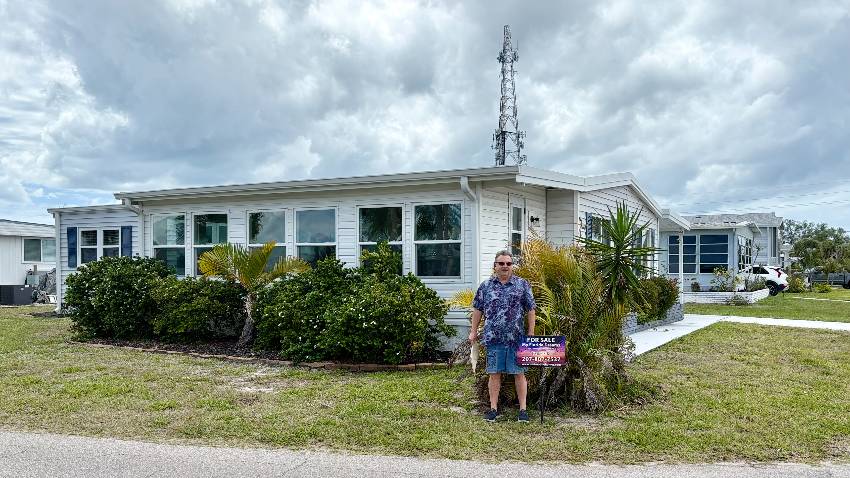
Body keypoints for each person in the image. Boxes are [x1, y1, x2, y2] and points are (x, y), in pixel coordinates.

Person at [469, 250, 536, 422]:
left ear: (512, 266)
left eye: (508, 263)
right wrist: (473, 331)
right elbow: (478, 309)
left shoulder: (522, 285)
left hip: (516, 339)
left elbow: (531, 309)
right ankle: (493, 409)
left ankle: (523, 410)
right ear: (495, 266)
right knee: (494, 374)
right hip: (493, 338)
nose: (505, 266)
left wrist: (531, 332)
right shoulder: (485, 286)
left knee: (519, 374)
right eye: (501, 263)